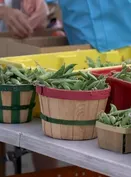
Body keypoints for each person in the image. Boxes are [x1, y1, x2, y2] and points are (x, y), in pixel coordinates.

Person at [0, 0, 58, 172]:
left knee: (41, 121)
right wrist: (3, 12)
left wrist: (45, 7)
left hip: (24, 43)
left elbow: (53, 6)